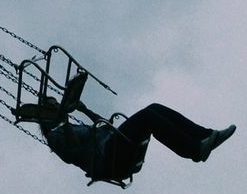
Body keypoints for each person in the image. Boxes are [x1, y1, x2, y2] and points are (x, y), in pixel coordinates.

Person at [13, 70, 235, 184]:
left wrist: (84, 110)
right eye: (53, 106)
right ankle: (195, 149)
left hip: (114, 147)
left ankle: (205, 136)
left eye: (56, 103)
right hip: (109, 160)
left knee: (154, 108)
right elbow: (72, 152)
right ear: (49, 114)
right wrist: (64, 121)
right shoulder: (56, 136)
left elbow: (106, 128)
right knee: (148, 116)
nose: (58, 105)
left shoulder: (71, 125)